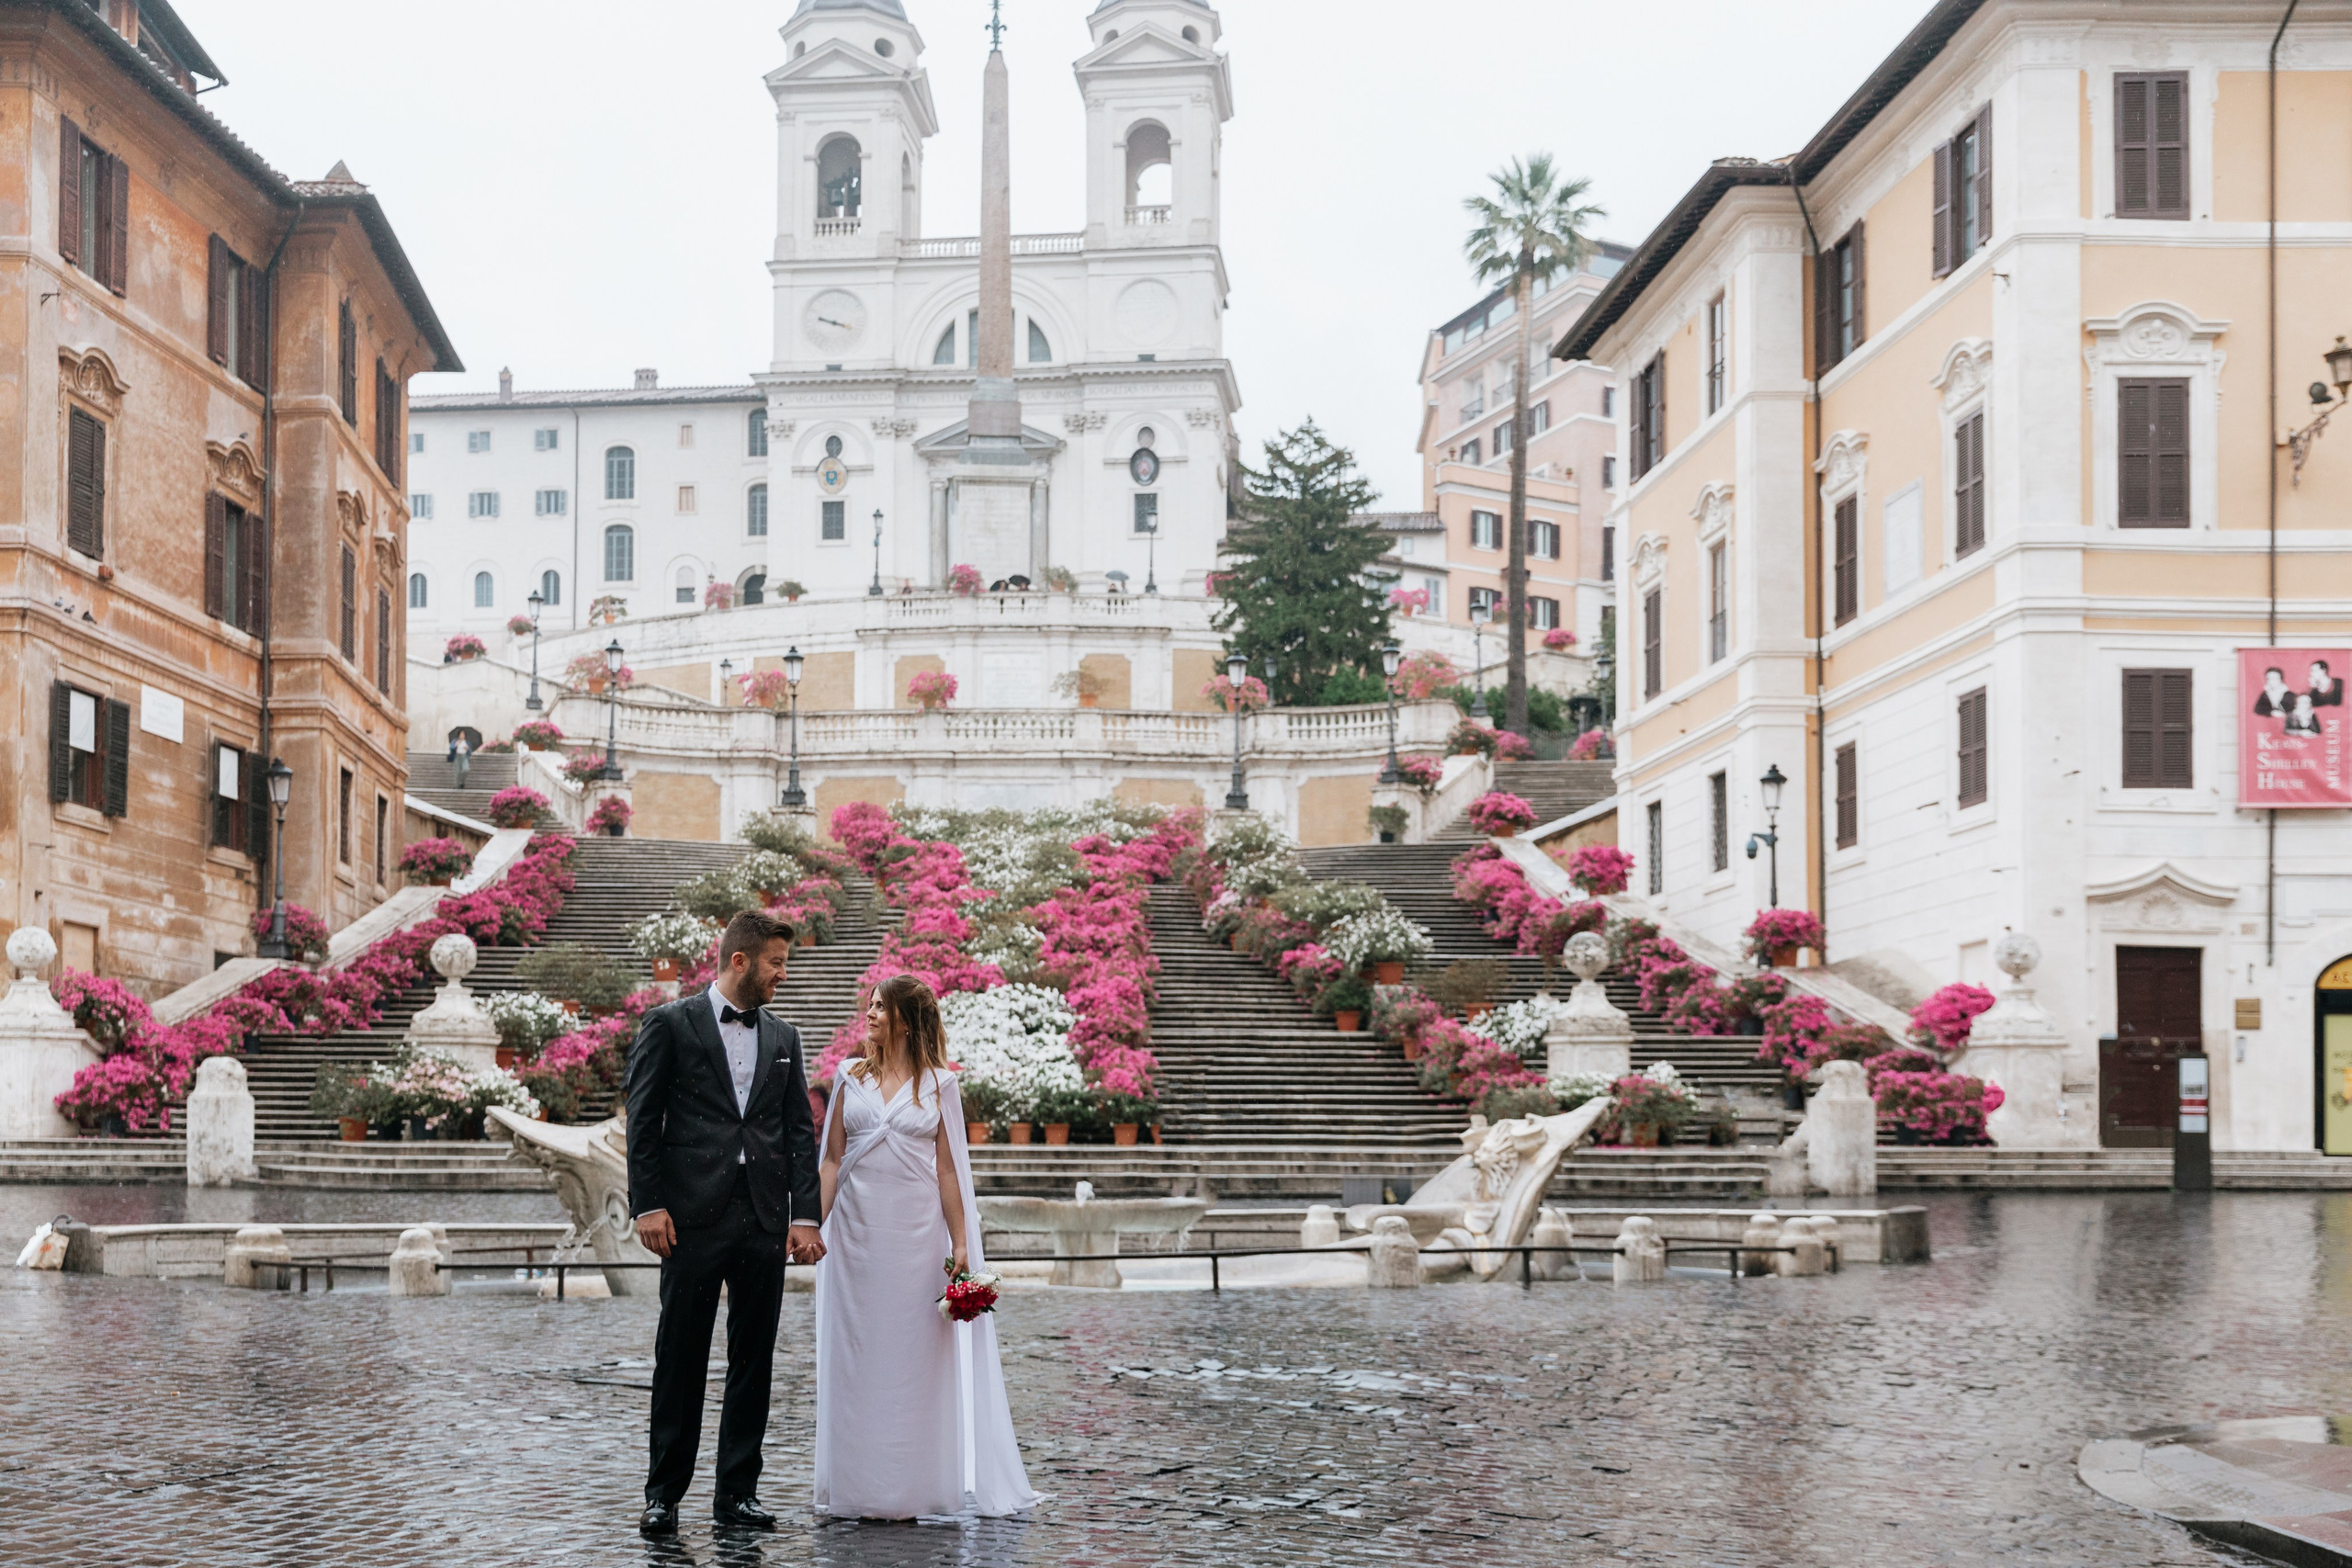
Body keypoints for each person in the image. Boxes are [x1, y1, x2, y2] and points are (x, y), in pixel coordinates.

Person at [626, 909, 825, 1538]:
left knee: (753, 1360)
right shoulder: (669, 1023)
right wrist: (647, 1204)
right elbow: (643, 1119)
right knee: (680, 1355)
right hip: (689, 1218)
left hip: (763, 1217)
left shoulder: (785, 1035)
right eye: (775, 963)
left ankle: (737, 1492)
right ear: (740, 960)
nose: (782, 975)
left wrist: (802, 1213)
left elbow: (799, 1131)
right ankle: (663, 1494)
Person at [814, 975, 1038, 1519]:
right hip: (856, 1240)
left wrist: (961, 1242)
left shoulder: (940, 1084)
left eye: (880, 1008)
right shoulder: (849, 1076)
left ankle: (910, 1489)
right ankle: (858, 1489)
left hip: (916, 1241)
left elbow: (948, 1171)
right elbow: (831, 1161)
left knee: (913, 1362)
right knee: (858, 1358)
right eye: (868, 1005)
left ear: (907, 1020)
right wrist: (808, 1228)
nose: (869, 1015)